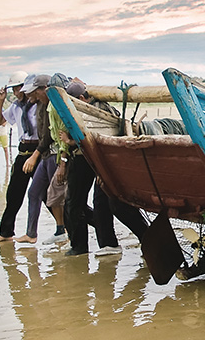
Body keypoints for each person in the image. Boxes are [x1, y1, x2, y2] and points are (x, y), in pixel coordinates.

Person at [62, 79, 150, 255]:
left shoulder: (97, 111)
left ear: (81, 98)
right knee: (103, 201)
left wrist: (71, 141)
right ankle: (111, 244)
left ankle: (119, 243)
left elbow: (98, 137)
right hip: (105, 160)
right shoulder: (95, 108)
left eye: (74, 102)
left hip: (111, 160)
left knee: (106, 201)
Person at [14, 74, 67, 245]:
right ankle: (32, 234)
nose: (31, 97)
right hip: (46, 155)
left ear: (45, 90)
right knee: (35, 192)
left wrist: (35, 155)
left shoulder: (51, 107)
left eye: (35, 93)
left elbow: (49, 137)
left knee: (58, 196)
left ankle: (66, 230)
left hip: (54, 154)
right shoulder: (39, 105)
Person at [0, 72, 39, 244]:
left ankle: (63, 230)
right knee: (13, 194)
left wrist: (36, 155)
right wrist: (1, 101)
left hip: (37, 150)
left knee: (46, 194)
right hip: (23, 150)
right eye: (13, 89)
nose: (16, 92)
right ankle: (6, 232)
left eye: (17, 88)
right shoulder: (16, 107)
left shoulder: (37, 105)